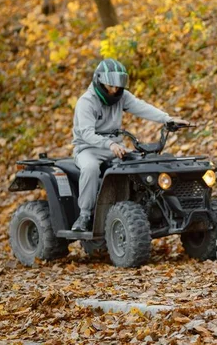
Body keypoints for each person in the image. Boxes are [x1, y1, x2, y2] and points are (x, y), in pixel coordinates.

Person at [70, 58, 188, 231]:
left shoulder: (121, 97)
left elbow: (142, 107)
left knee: (140, 164)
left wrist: (167, 119)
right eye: (110, 86)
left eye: (118, 87)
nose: (114, 90)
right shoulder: (86, 102)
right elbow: (87, 134)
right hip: (88, 148)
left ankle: (141, 207)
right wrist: (109, 144)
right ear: (99, 82)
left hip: (115, 147)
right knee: (90, 168)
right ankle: (85, 215)